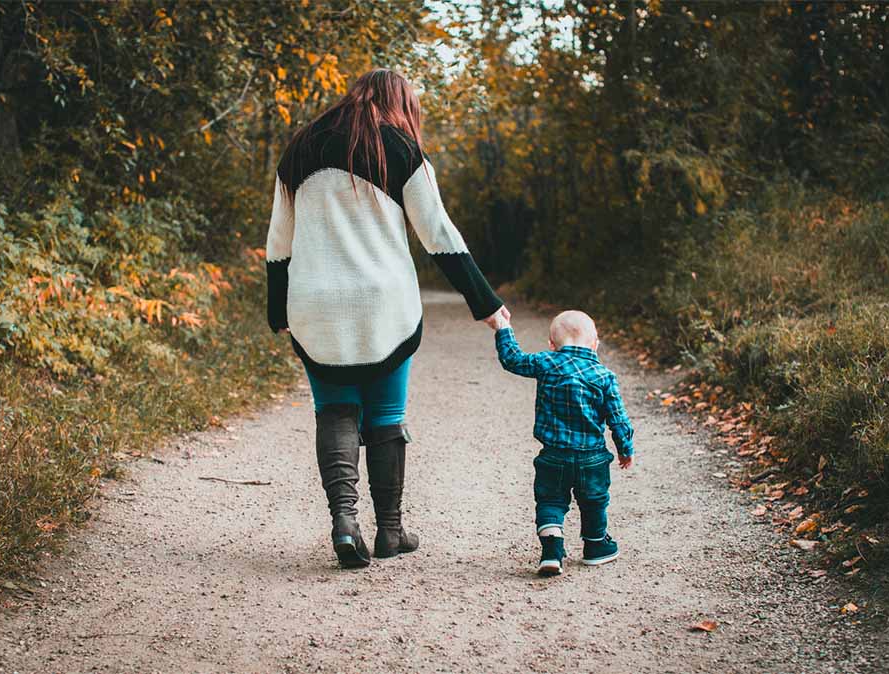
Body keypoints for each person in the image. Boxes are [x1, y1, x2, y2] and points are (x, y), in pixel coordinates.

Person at [265, 68, 510, 569]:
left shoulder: (301, 147)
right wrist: (484, 302)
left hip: (314, 302)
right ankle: (390, 531)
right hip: (385, 305)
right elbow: (438, 232)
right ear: (400, 103)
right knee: (386, 414)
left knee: (334, 408)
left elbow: (278, 242)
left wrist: (278, 309)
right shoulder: (399, 148)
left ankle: (344, 523)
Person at [490, 309, 634, 576]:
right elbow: (618, 419)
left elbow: (513, 359)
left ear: (552, 345)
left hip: (553, 455)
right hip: (592, 458)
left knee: (550, 501)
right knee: (594, 500)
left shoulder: (546, 362)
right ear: (595, 343)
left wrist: (503, 328)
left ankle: (551, 551)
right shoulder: (604, 376)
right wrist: (625, 448)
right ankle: (595, 546)